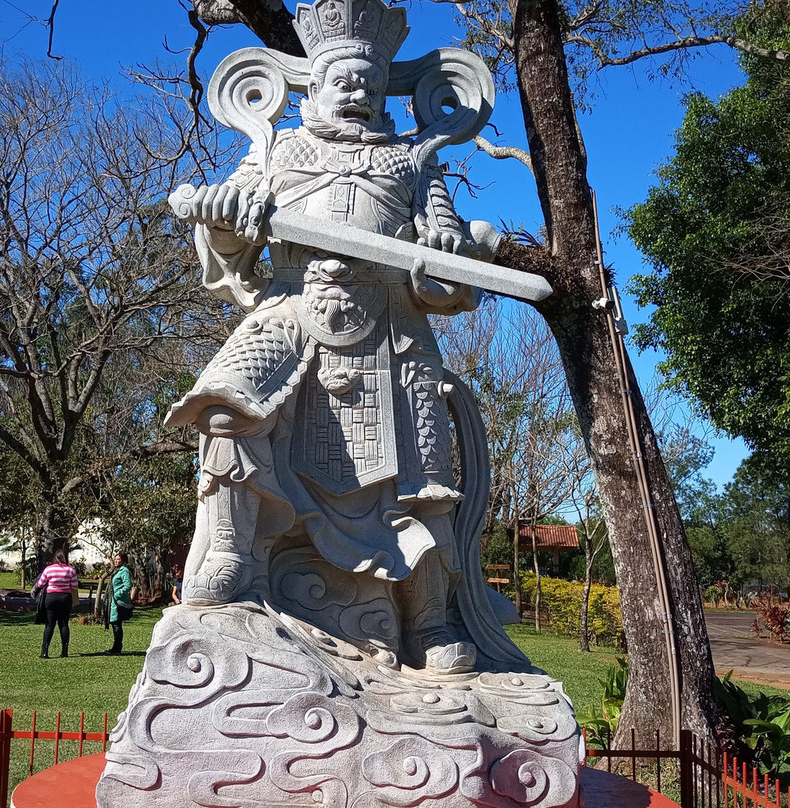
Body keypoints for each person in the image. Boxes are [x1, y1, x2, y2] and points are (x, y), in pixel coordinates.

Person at [165, 0, 493, 674]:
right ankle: (229, 547)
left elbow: (449, 259)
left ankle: (430, 615)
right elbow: (229, 236)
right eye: (345, 80)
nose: (359, 93)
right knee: (225, 404)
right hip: (291, 308)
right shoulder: (279, 149)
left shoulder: (410, 166)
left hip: (390, 320)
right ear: (315, 83)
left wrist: (441, 245)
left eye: (370, 85)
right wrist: (227, 217)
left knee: (423, 475)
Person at [32, 549, 78, 659]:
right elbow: (75, 586)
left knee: (49, 624)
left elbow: (41, 583)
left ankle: (45, 651)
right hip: (65, 598)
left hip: (51, 597)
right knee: (64, 624)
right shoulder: (71, 570)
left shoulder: (49, 569)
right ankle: (64, 651)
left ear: (55, 558)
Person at [105, 551, 132, 655]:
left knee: (117, 624)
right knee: (114, 623)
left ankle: (117, 648)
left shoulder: (124, 571)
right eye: (115, 559)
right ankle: (115, 647)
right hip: (113, 601)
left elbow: (127, 585)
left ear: (123, 560)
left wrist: (117, 594)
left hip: (118, 601)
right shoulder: (116, 570)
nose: (116, 561)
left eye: (118, 560)